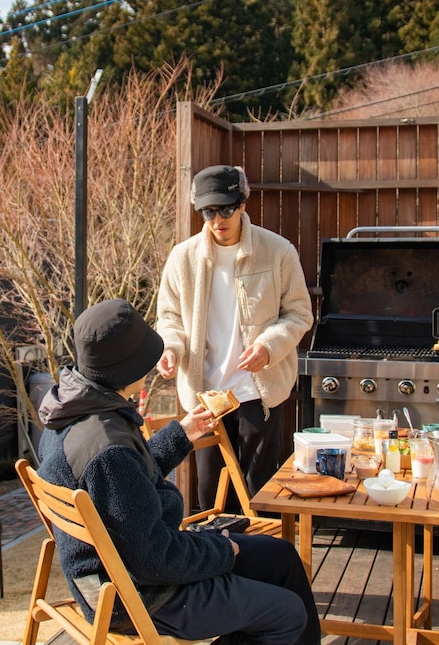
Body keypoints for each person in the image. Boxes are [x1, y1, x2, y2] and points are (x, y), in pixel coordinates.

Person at [37, 298, 320, 645]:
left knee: (281, 557)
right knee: (287, 615)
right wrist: (221, 550)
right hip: (137, 595)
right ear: (129, 369)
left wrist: (181, 434)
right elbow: (155, 557)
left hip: (126, 570)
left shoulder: (71, 415)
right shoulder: (108, 451)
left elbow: (124, 489)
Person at [156, 164, 313, 510]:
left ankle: (262, 547)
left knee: (261, 494)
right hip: (205, 396)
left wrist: (269, 347)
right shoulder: (183, 258)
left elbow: (300, 313)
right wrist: (170, 348)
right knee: (211, 495)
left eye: (226, 209)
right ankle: (216, 548)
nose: (218, 219)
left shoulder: (278, 252)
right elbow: (169, 317)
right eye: (208, 212)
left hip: (259, 393)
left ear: (242, 204)